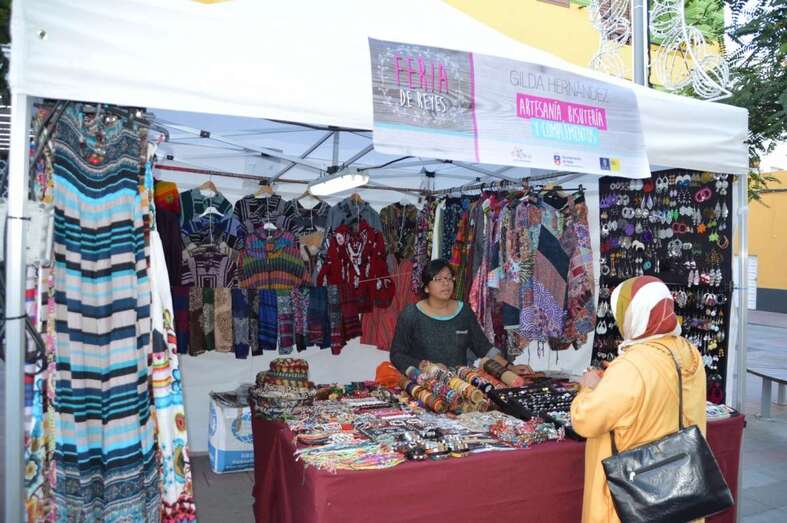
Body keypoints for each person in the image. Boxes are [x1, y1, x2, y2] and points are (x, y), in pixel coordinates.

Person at [570, 276, 707, 523]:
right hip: (680, 480)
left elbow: (586, 420)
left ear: (635, 315)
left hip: (636, 489)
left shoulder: (632, 365)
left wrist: (589, 388)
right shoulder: (688, 352)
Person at [389, 258, 532, 375]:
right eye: (438, 279)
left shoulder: (463, 311)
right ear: (426, 287)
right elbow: (397, 355)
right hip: (423, 388)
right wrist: (425, 366)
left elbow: (483, 347)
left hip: (459, 387)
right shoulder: (411, 314)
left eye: (449, 278)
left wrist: (509, 366)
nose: (446, 283)